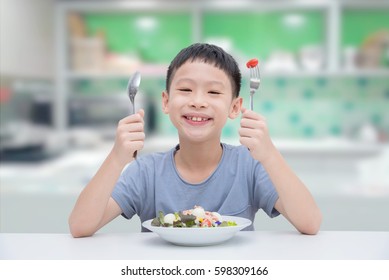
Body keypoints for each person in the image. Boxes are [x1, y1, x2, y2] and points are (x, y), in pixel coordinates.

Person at [69, 43, 322, 237]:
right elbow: (80, 226)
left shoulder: (249, 166)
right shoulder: (146, 172)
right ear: (166, 101)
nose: (198, 101)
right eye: (186, 89)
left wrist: (269, 154)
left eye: (213, 92)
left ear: (235, 107)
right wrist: (116, 158)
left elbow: (310, 223)